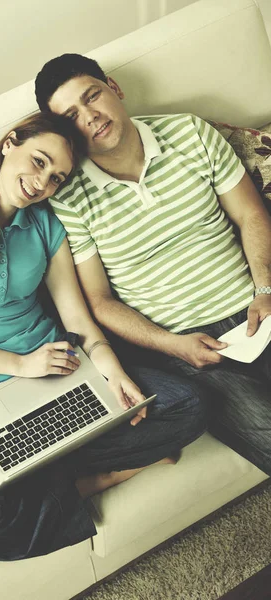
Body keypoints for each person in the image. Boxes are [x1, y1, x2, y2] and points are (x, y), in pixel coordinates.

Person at [0, 112, 205, 561]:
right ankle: (97, 478)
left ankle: (45, 462)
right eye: (39, 161)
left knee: (191, 403)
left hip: (64, 371)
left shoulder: (46, 224)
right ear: (10, 143)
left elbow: (78, 320)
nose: (42, 182)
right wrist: (22, 366)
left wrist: (113, 370)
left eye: (57, 177)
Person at [34, 53, 271, 476]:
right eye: (72, 116)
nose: (90, 117)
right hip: (182, 346)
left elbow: (251, 215)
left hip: (257, 309)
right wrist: (171, 344)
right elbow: (100, 302)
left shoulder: (189, 131)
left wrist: (265, 290)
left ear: (115, 89)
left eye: (93, 97)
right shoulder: (68, 196)